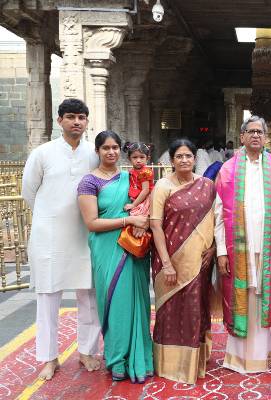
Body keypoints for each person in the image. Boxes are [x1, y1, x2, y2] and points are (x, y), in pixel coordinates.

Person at [22, 98, 102, 381]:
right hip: (50, 235)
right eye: (70, 117)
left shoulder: (93, 155)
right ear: (60, 121)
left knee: (88, 295)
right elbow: (29, 192)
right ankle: (48, 357)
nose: (76, 122)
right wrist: (50, 215)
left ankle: (87, 351)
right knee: (47, 296)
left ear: (87, 121)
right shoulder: (42, 153)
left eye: (81, 117)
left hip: (85, 234)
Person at [215, 115, 271, 373]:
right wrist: (222, 251)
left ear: (266, 137)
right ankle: (237, 357)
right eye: (251, 132)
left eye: (260, 132)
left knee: (261, 298)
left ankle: (262, 357)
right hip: (238, 247)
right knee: (240, 297)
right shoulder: (228, 169)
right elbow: (218, 212)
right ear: (242, 137)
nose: (256, 136)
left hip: (266, 246)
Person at [78, 131, 154, 383]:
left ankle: (140, 355)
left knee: (137, 301)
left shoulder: (130, 177)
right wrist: (128, 219)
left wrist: (141, 219)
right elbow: (91, 222)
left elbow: (146, 201)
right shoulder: (89, 182)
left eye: (115, 148)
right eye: (105, 148)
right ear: (97, 151)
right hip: (106, 247)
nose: (110, 152)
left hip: (134, 247)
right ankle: (116, 358)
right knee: (115, 301)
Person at [149, 138, 216, 383]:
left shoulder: (207, 185)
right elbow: (155, 226)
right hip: (170, 259)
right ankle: (169, 364)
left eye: (189, 156)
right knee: (170, 310)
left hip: (200, 260)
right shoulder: (162, 186)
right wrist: (167, 263)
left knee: (195, 309)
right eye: (179, 156)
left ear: (195, 159)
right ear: (172, 160)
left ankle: (195, 363)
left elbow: (216, 219)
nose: (184, 160)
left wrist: (214, 248)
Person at [123, 142, 154, 216]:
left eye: (142, 157)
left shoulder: (145, 172)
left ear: (147, 158)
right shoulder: (131, 171)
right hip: (136, 199)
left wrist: (133, 205)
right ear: (129, 158)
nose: (138, 160)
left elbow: (145, 190)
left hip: (145, 201)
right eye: (135, 157)